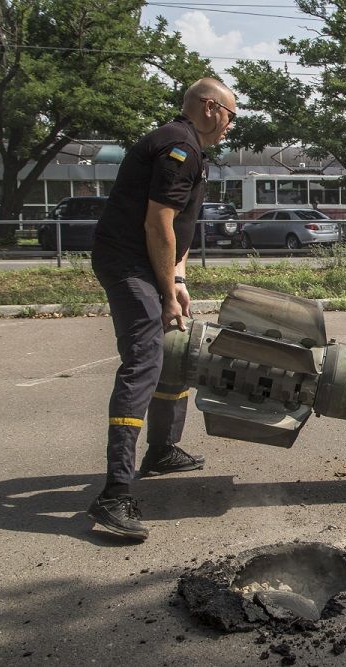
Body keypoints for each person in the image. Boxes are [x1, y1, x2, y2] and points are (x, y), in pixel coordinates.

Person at [86, 78, 237, 540]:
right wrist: (166, 289)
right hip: (130, 263)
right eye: (231, 115)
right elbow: (159, 223)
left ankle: (163, 450)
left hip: (148, 263)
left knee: (175, 344)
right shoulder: (178, 146)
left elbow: (182, 226)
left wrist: (178, 279)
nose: (232, 126)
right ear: (210, 108)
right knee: (144, 361)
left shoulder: (190, 147)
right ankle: (114, 494)